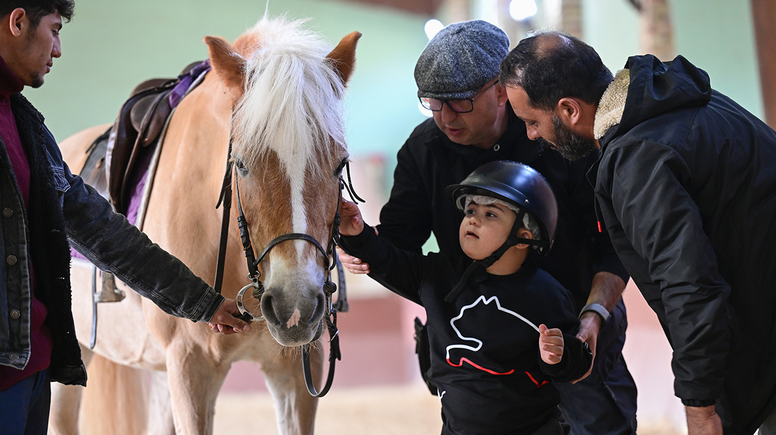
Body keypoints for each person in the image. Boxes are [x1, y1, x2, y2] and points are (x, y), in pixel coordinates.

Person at [340, 20, 637, 434]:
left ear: (500, 89)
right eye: (433, 102)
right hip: (481, 350)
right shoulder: (423, 150)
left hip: (571, 326)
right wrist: (361, 244)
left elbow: (616, 242)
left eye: (459, 102)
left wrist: (594, 317)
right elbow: (398, 249)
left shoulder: (553, 130)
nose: (445, 117)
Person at [499, 30, 776, 435]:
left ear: (569, 110)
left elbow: (689, 284)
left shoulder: (636, 161)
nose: (531, 135)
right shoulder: (680, 100)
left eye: (532, 121)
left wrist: (700, 406)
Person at [0, 2, 250, 433]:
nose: (57, 49)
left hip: (31, 370)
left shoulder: (27, 127)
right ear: (18, 22)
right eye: (54, 30)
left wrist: (202, 302)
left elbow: (105, 233)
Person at [340, 160, 593, 435]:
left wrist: (558, 356)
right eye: (470, 210)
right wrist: (355, 231)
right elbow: (388, 260)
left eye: (491, 214)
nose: (473, 218)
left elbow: (577, 361)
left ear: (523, 237)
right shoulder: (437, 276)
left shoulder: (547, 293)